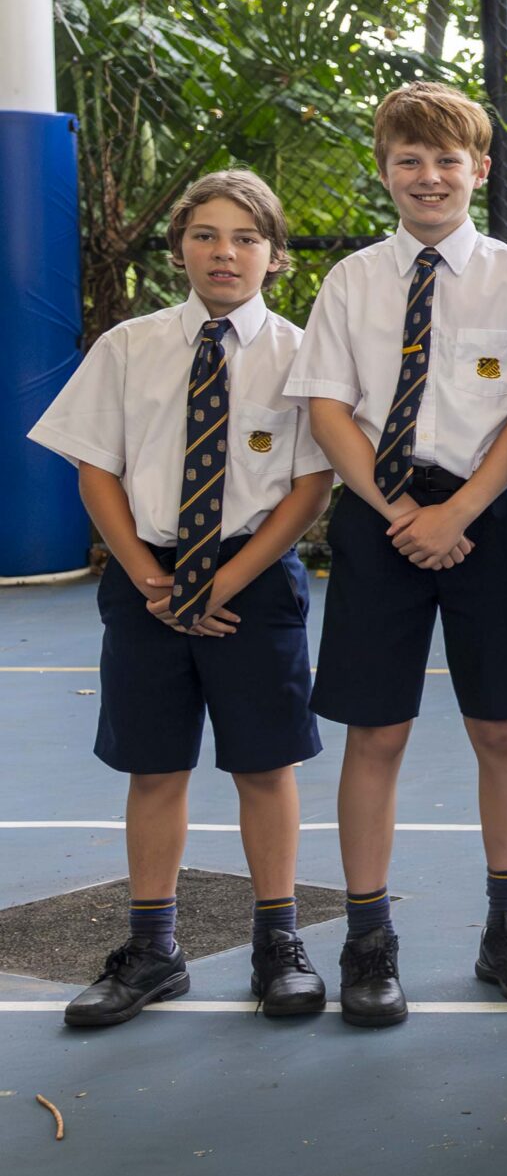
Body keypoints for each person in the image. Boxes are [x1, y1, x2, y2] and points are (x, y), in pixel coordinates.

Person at [285, 82, 507, 1026]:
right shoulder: (352, 281)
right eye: (409, 160)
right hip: (382, 512)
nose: (429, 176)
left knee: (500, 727)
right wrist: (401, 510)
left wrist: (459, 514)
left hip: (491, 515)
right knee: (376, 732)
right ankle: (368, 937)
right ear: (385, 171)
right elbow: (328, 407)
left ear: (480, 169)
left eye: (448, 159)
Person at [36, 172, 334, 1026]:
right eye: (205, 235)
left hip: (251, 580)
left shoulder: (301, 356)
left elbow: (310, 487)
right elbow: (96, 469)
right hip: (149, 578)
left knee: (264, 765)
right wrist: (147, 577)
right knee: (155, 765)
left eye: (245, 237)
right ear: (180, 250)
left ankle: (278, 942)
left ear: (275, 255)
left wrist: (223, 583)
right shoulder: (128, 347)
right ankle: (154, 949)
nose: (224, 253)